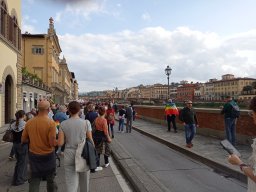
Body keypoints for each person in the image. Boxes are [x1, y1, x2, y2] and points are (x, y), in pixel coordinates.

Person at [22, 99, 64, 192]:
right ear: (48, 109)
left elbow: (23, 139)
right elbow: (52, 143)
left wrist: (34, 138)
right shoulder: (51, 123)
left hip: (34, 155)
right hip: (48, 155)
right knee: (50, 180)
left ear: (38, 109)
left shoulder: (29, 122)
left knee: (34, 181)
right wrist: (60, 140)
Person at [59, 101, 93, 192]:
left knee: (71, 183)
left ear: (68, 111)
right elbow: (90, 139)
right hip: (83, 154)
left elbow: (60, 143)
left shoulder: (63, 124)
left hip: (69, 153)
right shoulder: (86, 123)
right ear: (79, 110)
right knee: (84, 181)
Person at [228, 96, 256, 191]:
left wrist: (239, 163)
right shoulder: (235, 104)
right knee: (232, 132)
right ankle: (232, 142)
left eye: (252, 113)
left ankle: (231, 142)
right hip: (234, 119)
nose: (252, 117)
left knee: (229, 132)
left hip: (228, 119)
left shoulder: (228, 104)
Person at [11, 110, 28, 186]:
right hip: (23, 145)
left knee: (18, 162)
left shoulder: (13, 124)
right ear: (23, 116)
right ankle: (19, 180)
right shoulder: (25, 124)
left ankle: (15, 179)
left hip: (15, 145)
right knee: (22, 163)